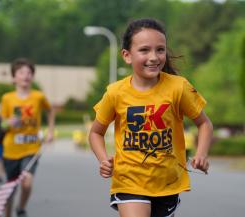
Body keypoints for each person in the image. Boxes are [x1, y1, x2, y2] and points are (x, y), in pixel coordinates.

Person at [89, 18, 213, 217]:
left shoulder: (178, 87)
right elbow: (96, 132)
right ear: (127, 55)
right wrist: (103, 160)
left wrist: (201, 154)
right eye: (144, 50)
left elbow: (204, 123)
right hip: (128, 181)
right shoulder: (115, 93)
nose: (154, 57)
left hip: (168, 183)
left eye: (160, 50)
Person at [0, 57, 55, 217]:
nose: (26, 75)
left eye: (29, 72)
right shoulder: (7, 98)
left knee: (27, 182)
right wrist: (8, 122)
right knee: (10, 188)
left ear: (32, 76)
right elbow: (2, 124)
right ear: (13, 77)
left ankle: (21, 208)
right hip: (11, 149)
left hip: (32, 149)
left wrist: (50, 131)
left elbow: (50, 110)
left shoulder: (38, 97)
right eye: (21, 72)